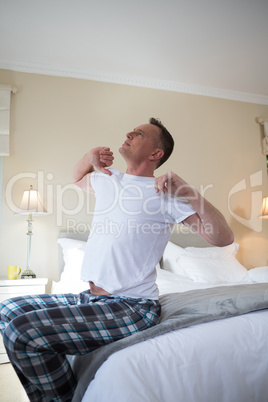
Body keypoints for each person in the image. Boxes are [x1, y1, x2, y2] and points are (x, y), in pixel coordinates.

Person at [0, 118, 234, 401]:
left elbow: (222, 238)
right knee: (8, 309)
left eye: (138, 134)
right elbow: (76, 177)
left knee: (21, 331)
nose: (129, 134)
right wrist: (89, 158)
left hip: (132, 306)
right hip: (91, 298)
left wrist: (189, 191)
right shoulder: (108, 179)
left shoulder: (166, 194)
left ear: (155, 154)